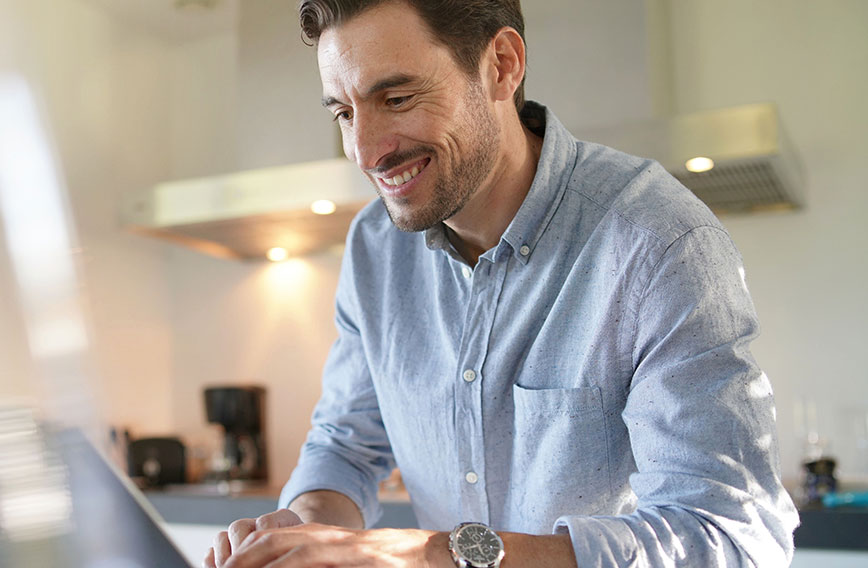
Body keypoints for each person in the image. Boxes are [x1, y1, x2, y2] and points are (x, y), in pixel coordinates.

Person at [206, 0, 799, 566]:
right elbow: (346, 444)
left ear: (502, 66)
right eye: (343, 111)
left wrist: (432, 555)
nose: (363, 150)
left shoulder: (657, 242)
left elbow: (730, 538)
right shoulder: (375, 246)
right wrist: (304, 528)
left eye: (399, 97)